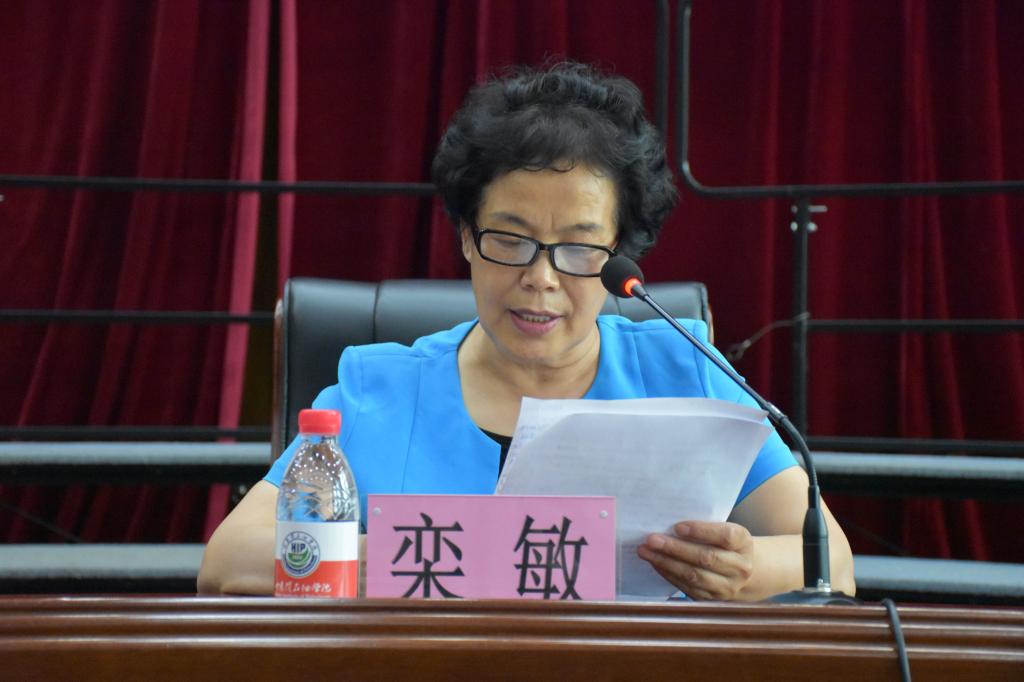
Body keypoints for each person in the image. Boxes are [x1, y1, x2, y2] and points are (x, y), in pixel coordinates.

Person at [198, 61, 855, 600]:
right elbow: (227, 561)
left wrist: (745, 571)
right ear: (466, 236)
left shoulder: (685, 370)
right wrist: (389, 563)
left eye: (578, 248)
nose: (541, 278)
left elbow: (832, 563)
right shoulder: (378, 391)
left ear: (619, 255)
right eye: (510, 240)